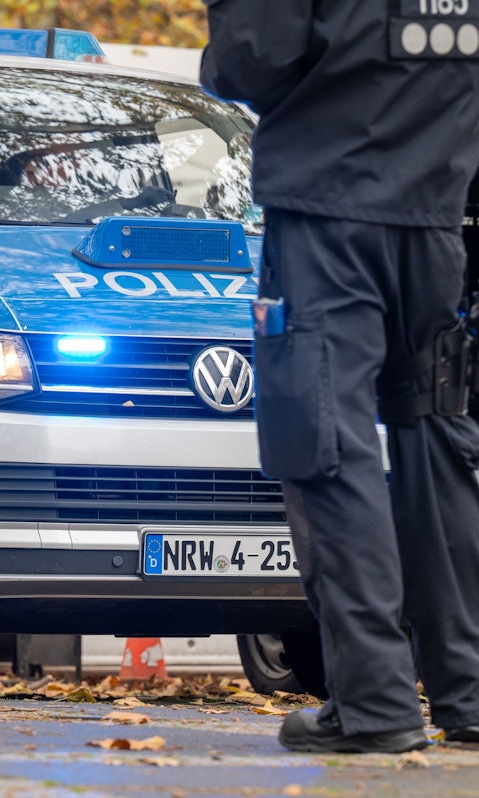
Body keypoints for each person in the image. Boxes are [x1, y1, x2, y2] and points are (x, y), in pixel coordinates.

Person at [201, 2, 479, 753]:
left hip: (329, 214)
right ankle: (471, 692)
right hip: (439, 220)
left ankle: (376, 704)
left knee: (325, 439)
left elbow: (248, 60)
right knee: (438, 434)